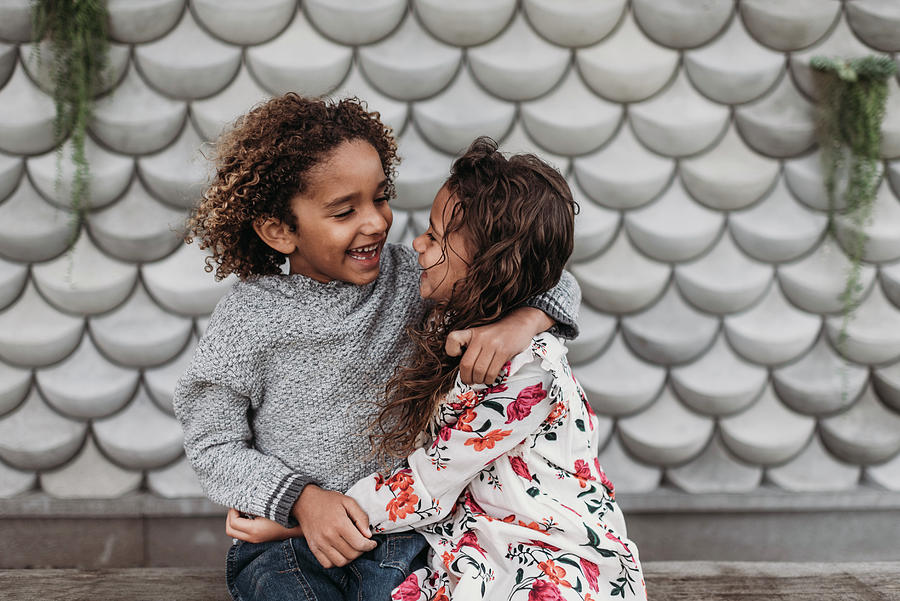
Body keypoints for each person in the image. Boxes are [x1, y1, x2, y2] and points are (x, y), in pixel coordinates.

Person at [173, 94, 582, 601]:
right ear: (279, 230)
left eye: (380, 197)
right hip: (287, 545)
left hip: (405, 532)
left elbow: (541, 269)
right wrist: (299, 500)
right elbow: (213, 443)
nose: (375, 222)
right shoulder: (248, 319)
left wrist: (525, 318)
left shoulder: (417, 278)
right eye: (345, 210)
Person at [231, 138, 646, 601]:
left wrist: (292, 523)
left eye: (434, 236)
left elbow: (426, 484)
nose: (416, 243)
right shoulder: (443, 305)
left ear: (491, 266)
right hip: (467, 537)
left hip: (547, 552)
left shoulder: (523, 370)